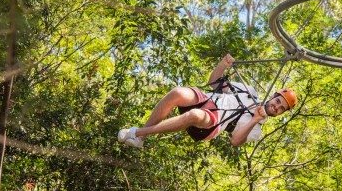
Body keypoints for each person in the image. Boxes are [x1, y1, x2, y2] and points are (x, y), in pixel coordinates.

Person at [117, 54, 297, 148]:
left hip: (214, 122)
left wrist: (255, 119)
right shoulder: (250, 91)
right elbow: (214, 82)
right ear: (274, 95)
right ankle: (139, 139)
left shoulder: (256, 130)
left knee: (195, 114)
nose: (276, 106)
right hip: (208, 100)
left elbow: (235, 141)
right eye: (278, 101)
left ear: (280, 113)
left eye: (280, 108)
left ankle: (138, 133)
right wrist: (223, 64)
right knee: (177, 92)